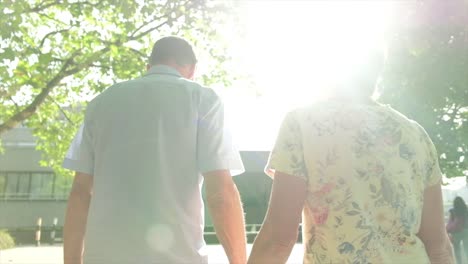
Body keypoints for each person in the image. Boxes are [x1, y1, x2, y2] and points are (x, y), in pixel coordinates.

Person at [248, 45, 454, 263]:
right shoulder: (416, 134)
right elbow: (438, 246)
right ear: (376, 75)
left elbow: (277, 240)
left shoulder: (302, 125)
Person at [63, 36, 246, 264]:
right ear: (192, 70)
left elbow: (81, 192)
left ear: (148, 66)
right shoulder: (203, 100)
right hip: (177, 257)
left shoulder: (101, 103)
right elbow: (220, 194)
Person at [447, 196, 468, 263]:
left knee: (457, 250)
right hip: (465, 232)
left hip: (456, 233)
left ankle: (459, 262)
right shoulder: (466, 210)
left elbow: (450, 222)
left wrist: (448, 230)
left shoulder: (452, 211)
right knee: (466, 248)